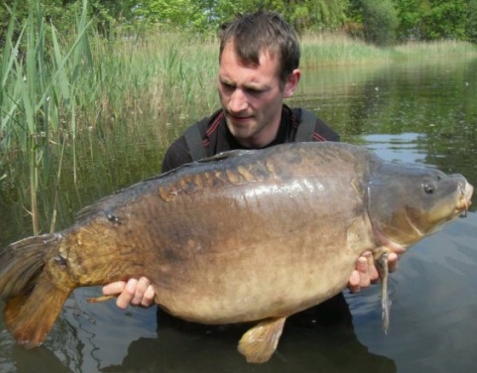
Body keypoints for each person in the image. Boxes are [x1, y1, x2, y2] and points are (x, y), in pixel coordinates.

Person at [103, 10, 399, 322]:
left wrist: (365, 267)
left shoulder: (321, 147)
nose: (235, 104)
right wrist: (146, 289)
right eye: (227, 85)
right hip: (208, 316)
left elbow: (349, 252)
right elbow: (162, 259)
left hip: (302, 317)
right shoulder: (188, 153)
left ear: (290, 83)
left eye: (254, 90)